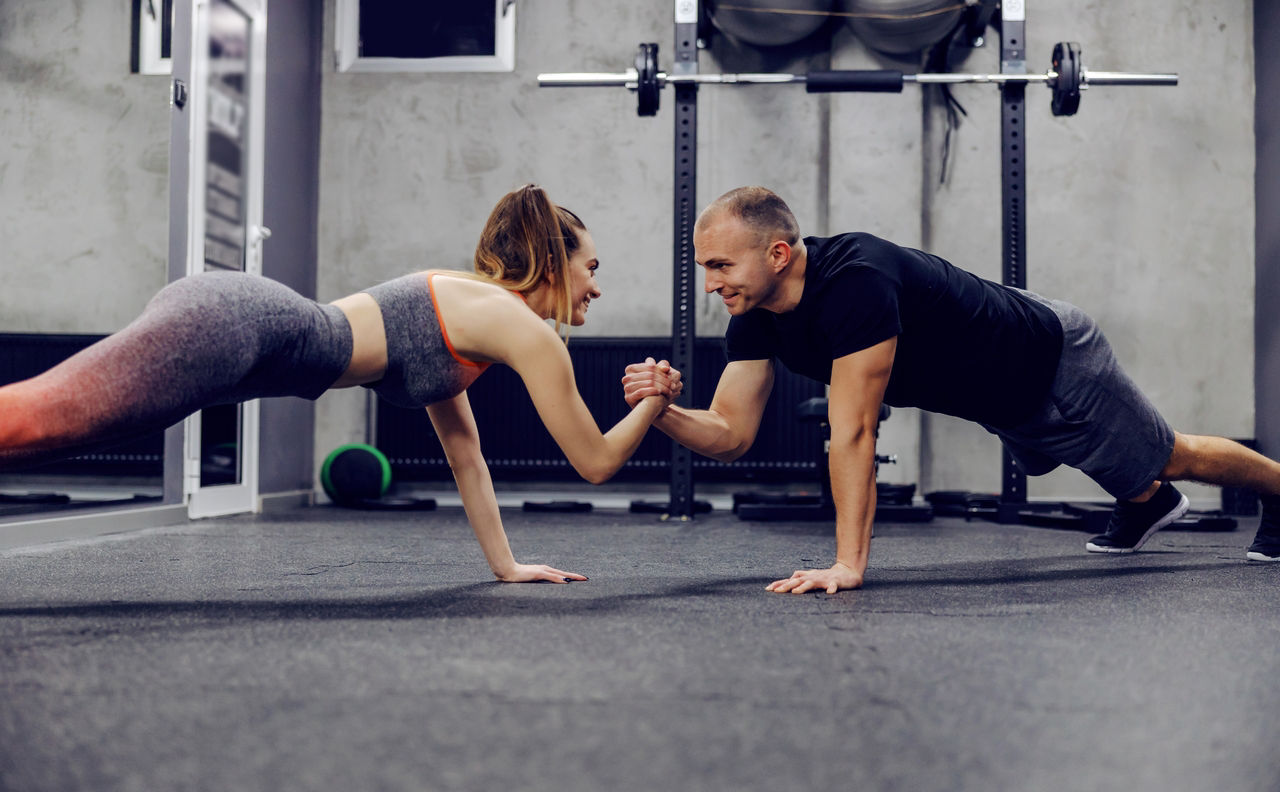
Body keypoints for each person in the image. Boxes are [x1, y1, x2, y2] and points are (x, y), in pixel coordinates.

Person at [0, 184, 681, 584]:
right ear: (554, 265)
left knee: (58, 434)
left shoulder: (479, 316)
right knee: (36, 419)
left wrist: (505, 566)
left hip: (237, 333)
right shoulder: (520, 327)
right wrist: (655, 400)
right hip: (239, 324)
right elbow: (595, 462)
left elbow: (466, 456)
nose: (597, 286)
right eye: (592, 268)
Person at [622, 185, 1280, 594]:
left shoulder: (855, 285)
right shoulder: (754, 314)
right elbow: (732, 433)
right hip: (993, 391)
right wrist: (662, 411)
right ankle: (1146, 501)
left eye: (720, 265)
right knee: (1082, 453)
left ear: (777, 254)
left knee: (1170, 453)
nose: (710, 283)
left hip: (1049, 358)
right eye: (704, 266)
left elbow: (854, 430)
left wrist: (848, 565)